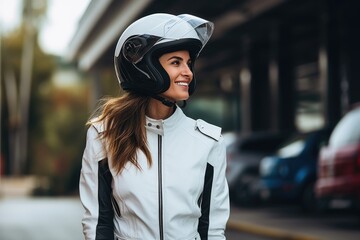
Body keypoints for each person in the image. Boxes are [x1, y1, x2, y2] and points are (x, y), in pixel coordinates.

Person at [79, 13, 230, 240]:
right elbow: (97, 224)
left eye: (189, 63)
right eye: (176, 62)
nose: (188, 72)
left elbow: (212, 229)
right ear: (144, 66)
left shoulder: (208, 141)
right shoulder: (104, 135)